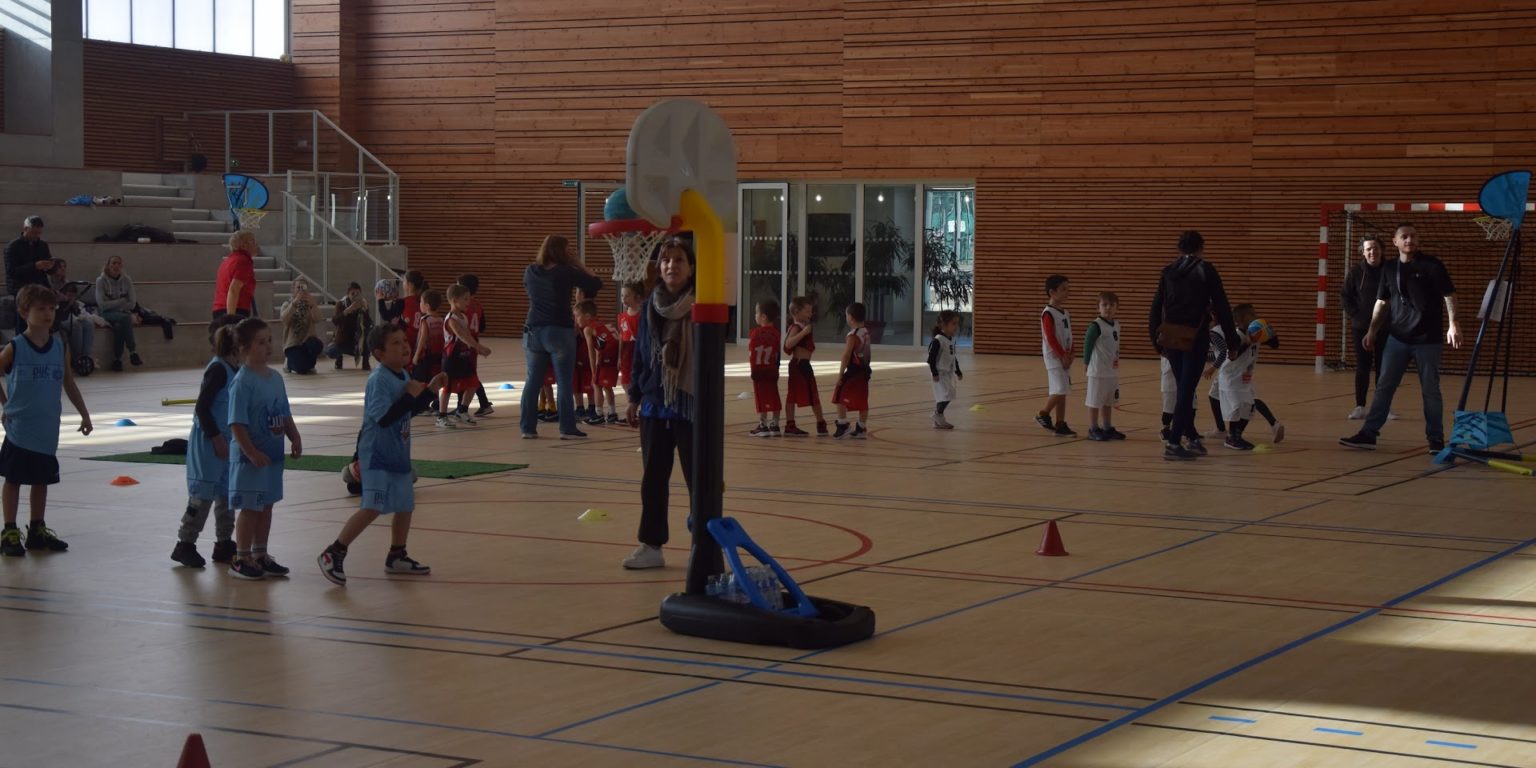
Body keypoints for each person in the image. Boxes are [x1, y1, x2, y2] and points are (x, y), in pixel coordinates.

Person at [318, 325, 445, 586]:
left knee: (405, 505)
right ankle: (334, 552)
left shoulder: (403, 374)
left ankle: (397, 555)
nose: (405, 346)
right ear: (379, 353)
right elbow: (385, 418)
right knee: (372, 507)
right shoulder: (379, 380)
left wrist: (429, 391)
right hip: (377, 454)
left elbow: (408, 410)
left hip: (398, 453)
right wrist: (409, 395)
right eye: (396, 343)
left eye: (405, 340)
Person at [1340, 223, 1460, 452]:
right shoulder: (1389, 268)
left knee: (1430, 390)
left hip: (1428, 339)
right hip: (1398, 339)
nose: (1409, 240)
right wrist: (1372, 330)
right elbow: (1382, 302)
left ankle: (1435, 439)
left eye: (1413, 236)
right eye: (1404, 236)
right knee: (1384, 386)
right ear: (1395, 242)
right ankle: (1368, 434)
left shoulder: (1432, 265)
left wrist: (1454, 324)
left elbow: (1449, 295)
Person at [0, 285, 92, 557]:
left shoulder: (59, 346)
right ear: (24, 312)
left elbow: (69, 382)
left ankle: (37, 529)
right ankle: (9, 530)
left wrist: (84, 413)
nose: (47, 314)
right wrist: (6, 404)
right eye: (40, 309)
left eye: (51, 308)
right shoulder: (15, 347)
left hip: (47, 426)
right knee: (14, 479)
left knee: (41, 479)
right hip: (20, 427)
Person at [621, 239, 696, 570]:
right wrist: (634, 396)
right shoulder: (650, 306)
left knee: (699, 480)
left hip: (690, 405)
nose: (671, 265)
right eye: (666, 260)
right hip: (654, 402)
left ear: (691, 268)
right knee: (653, 479)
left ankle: (703, 545)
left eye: (679, 260)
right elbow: (640, 354)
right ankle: (651, 545)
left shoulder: (702, 306)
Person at [1149, 230, 1240, 461]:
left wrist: (1156, 341)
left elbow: (1156, 307)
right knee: (1186, 390)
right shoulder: (1206, 270)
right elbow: (1222, 306)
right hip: (1195, 337)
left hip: (1171, 337)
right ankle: (1173, 443)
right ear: (1201, 247)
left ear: (1179, 248)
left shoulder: (1168, 271)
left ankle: (1191, 437)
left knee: (1184, 389)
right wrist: (1232, 341)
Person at [226, 318, 301, 580]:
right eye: (260, 342)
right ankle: (241, 557)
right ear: (244, 347)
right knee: (250, 508)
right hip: (250, 461)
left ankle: (260, 554)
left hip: (271, 458)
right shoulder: (242, 382)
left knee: (267, 506)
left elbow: (284, 412)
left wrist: (294, 436)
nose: (268, 346)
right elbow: (236, 423)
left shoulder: (276, 378)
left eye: (269, 340)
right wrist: (250, 452)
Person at [171, 315, 243, 568]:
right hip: (209, 442)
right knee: (202, 495)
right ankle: (185, 543)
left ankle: (224, 542)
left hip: (228, 441)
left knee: (226, 494)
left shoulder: (236, 369)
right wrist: (216, 438)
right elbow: (202, 407)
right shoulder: (218, 369)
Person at [520, 234, 602, 439]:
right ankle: (567, 428)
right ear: (562, 252)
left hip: (533, 330)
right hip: (559, 331)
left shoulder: (530, 270)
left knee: (533, 381)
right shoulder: (565, 272)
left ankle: (527, 428)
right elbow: (595, 283)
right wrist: (578, 263)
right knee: (564, 381)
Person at [1342, 235, 1391, 420]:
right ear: (1363, 252)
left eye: (1375, 248)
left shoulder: (1390, 270)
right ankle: (1360, 406)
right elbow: (1345, 296)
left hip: (1386, 327)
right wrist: (1356, 314)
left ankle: (1382, 407)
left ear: (1382, 250)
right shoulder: (1356, 272)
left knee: (1384, 367)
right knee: (1363, 366)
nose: (1372, 252)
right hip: (1361, 327)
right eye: (1368, 249)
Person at [441, 285, 490, 425]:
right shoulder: (451, 319)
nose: (469, 301)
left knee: (473, 383)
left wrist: (476, 349)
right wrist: (479, 347)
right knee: (448, 387)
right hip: (451, 357)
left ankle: (462, 410)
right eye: (465, 299)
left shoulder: (463, 316)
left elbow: (468, 336)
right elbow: (462, 336)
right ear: (454, 300)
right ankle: (442, 416)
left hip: (464, 355)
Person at [1036, 274, 1076, 437]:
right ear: (1052, 292)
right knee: (1060, 389)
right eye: (1063, 289)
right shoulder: (1048, 313)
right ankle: (1043, 414)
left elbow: (1069, 335)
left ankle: (1060, 424)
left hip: (1064, 357)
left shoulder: (1065, 313)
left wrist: (1072, 353)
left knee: (1062, 391)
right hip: (1054, 358)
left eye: (1068, 289)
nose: (1067, 292)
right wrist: (1062, 355)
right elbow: (1050, 337)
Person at [781, 296, 827, 437]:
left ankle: (792, 424)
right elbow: (788, 344)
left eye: (810, 311)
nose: (810, 314)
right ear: (796, 312)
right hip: (800, 365)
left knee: (797, 394)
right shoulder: (797, 327)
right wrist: (804, 333)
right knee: (809, 394)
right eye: (807, 311)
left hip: (802, 365)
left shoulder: (802, 326)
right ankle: (820, 423)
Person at [1083, 292, 1124, 441]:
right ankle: (1093, 428)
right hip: (1098, 371)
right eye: (1104, 305)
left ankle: (1107, 427)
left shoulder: (1116, 325)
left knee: (1108, 401)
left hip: (1111, 371)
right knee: (1094, 401)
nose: (1108, 308)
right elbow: (1088, 344)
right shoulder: (1096, 326)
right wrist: (1086, 362)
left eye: (1112, 305)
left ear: (1117, 308)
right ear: (1098, 308)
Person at [453, 274, 493, 418]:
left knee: (466, 374)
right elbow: (482, 326)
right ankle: (478, 404)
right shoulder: (478, 304)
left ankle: (480, 404)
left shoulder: (463, 306)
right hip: (473, 340)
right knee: (468, 373)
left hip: (466, 342)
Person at [831, 302, 872, 440]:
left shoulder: (853, 335)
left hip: (854, 371)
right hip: (864, 371)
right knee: (862, 400)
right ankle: (861, 428)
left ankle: (843, 424)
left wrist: (840, 374)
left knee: (838, 394)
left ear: (851, 318)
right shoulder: (865, 332)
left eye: (846, 315)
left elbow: (846, 355)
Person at [5, 216, 53, 332]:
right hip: (20, 288)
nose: (36, 236)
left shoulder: (42, 245)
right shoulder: (13, 246)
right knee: (23, 322)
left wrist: (50, 266)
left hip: (39, 286)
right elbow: (11, 272)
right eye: (34, 233)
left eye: (39, 233)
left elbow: (47, 268)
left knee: (40, 320)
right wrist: (34, 266)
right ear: (25, 229)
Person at [96, 254, 142, 371]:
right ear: (108, 265)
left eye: (119, 263)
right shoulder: (101, 281)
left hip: (121, 313)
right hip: (106, 314)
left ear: (122, 266)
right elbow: (102, 305)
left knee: (119, 326)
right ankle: (133, 351)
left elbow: (132, 303)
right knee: (126, 318)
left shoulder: (127, 280)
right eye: (113, 263)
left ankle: (117, 360)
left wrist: (113, 305)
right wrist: (121, 301)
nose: (116, 266)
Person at [577, 300, 619, 425]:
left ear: (587, 316)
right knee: (607, 386)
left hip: (606, 357)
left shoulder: (588, 329)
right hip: (616, 356)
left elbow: (591, 351)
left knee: (596, 384)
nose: (576, 319)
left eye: (578, 316)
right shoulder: (602, 323)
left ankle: (598, 414)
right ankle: (612, 413)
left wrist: (593, 371)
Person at [411, 290, 449, 425]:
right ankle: (437, 404)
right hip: (437, 355)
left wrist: (416, 355)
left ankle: (424, 406)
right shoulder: (440, 319)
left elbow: (423, 338)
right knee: (434, 379)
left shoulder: (425, 320)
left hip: (425, 356)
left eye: (421, 302)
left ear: (427, 305)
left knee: (420, 380)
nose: (420, 304)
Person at [747, 299, 782, 437]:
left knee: (761, 397)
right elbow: (777, 354)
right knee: (774, 395)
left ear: (763, 317)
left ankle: (763, 425)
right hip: (772, 369)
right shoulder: (776, 334)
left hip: (759, 370)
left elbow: (753, 354)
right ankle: (775, 424)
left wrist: (753, 369)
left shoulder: (755, 333)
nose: (755, 315)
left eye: (756, 313)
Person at [279, 278, 324, 375]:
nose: (301, 290)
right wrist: (294, 304)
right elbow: (284, 319)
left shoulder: (310, 304)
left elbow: (318, 319)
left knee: (316, 345)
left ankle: (310, 365)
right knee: (301, 370)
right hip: (293, 344)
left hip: (307, 341)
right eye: (298, 287)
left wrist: (313, 305)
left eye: (303, 287)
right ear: (292, 290)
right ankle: (289, 362)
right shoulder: (287, 304)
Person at [928, 309, 963, 430]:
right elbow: (931, 359)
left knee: (948, 394)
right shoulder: (938, 340)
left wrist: (958, 370)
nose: (956, 327)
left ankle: (938, 418)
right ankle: (937, 415)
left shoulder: (951, 340)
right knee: (946, 395)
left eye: (957, 324)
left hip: (948, 373)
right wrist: (934, 373)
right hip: (939, 373)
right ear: (944, 325)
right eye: (953, 323)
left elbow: (953, 357)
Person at [213, 230, 259, 319]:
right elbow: (234, 289)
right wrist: (231, 318)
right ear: (243, 245)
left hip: (219, 309)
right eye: (252, 241)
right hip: (235, 309)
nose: (256, 244)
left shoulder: (227, 261)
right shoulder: (243, 261)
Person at [327, 281, 373, 370]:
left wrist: (365, 311)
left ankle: (365, 361)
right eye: (352, 294)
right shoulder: (341, 304)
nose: (355, 296)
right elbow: (335, 321)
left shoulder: (364, 304)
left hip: (358, 340)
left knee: (368, 331)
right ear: (348, 295)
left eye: (357, 293)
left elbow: (368, 324)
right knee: (331, 352)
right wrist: (347, 311)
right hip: (344, 339)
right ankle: (339, 359)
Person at [400, 271, 427, 351]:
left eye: (404, 281)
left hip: (407, 341)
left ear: (410, 285)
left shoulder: (403, 302)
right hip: (423, 342)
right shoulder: (425, 302)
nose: (403, 283)